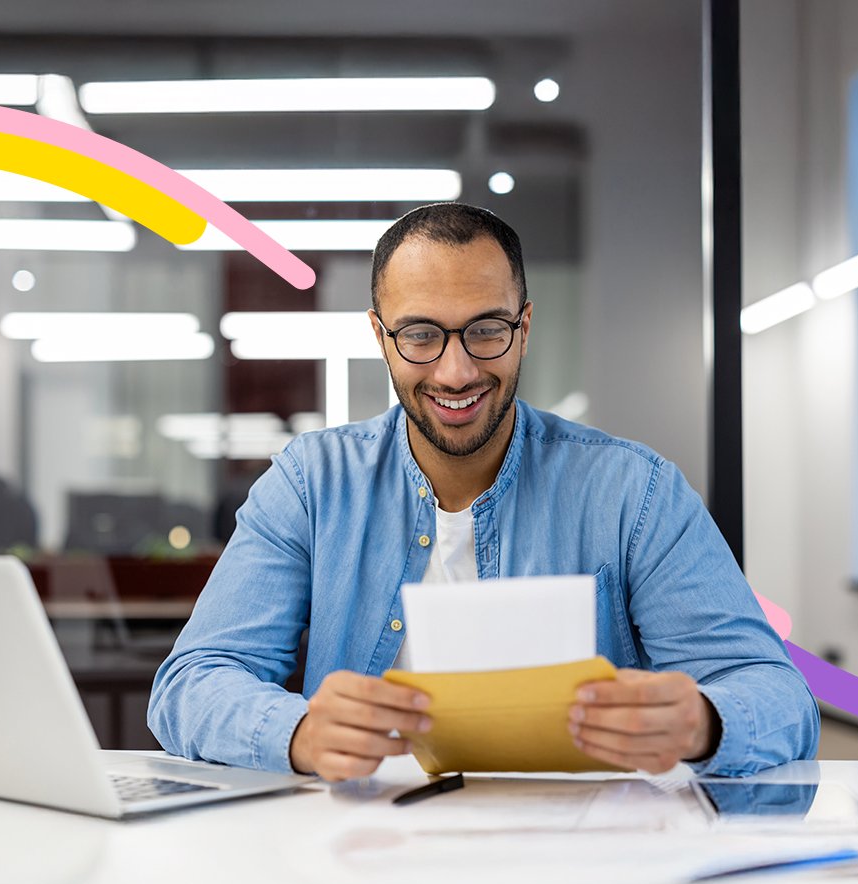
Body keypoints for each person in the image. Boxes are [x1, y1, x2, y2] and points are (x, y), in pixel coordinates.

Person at [149, 203, 819, 781]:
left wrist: (703, 721)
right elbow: (191, 683)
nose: (456, 368)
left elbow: (778, 697)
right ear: (380, 336)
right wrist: (295, 732)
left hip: (582, 852)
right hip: (365, 849)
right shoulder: (310, 484)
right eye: (420, 335)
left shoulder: (633, 493)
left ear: (524, 327)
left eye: (486, 330)